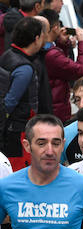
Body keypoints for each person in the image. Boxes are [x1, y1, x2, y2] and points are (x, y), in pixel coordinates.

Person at [0, 17, 50, 171]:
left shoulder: (7, 55)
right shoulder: (25, 69)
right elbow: (9, 103)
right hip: (17, 132)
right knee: (18, 172)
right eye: (43, 35)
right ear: (36, 39)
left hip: (10, 130)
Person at [39, 9, 83, 123]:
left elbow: (59, 67)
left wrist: (61, 44)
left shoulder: (43, 48)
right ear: (55, 28)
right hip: (55, 110)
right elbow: (82, 70)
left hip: (51, 105)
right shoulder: (51, 55)